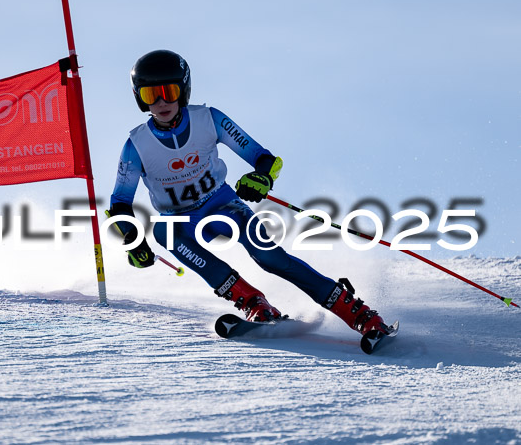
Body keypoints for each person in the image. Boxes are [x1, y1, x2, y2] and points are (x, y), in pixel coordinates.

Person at [108, 49, 390, 336]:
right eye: (149, 95)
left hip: (223, 206)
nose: (161, 102)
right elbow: (119, 202)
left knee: (270, 258)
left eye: (168, 91)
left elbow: (264, 158)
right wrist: (131, 239)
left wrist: (261, 177)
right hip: (181, 220)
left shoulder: (209, 119)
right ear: (138, 98)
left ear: (183, 89)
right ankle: (253, 302)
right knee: (163, 233)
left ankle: (356, 311)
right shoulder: (137, 146)